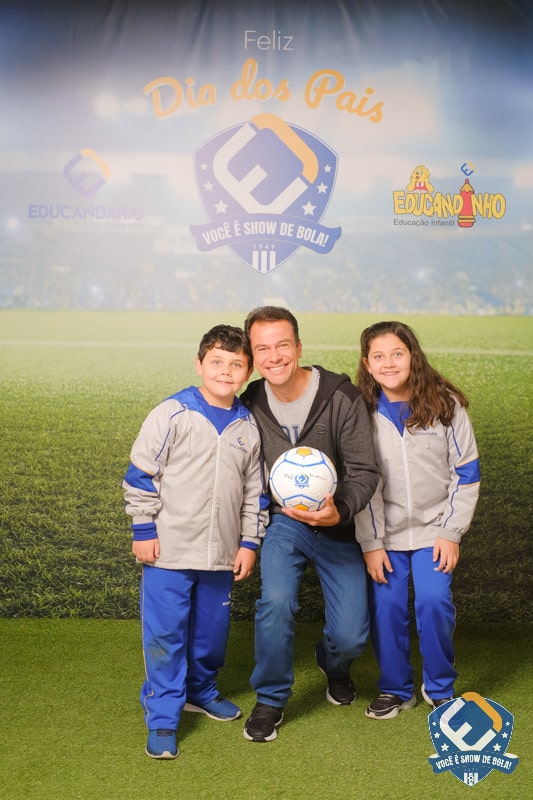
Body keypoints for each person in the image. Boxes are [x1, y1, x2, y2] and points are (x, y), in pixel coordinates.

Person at [123, 325, 269, 759]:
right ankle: (163, 717)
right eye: (217, 362)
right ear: (199, 364)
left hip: (221, 555)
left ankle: (201, 691)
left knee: (209, 635)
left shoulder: (247, 425)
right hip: (168, 551)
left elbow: (255, 492)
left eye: (236, 364)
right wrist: (144, 529)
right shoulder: (172, 413)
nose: (225, 371)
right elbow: (141, 473)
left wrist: (249, 542)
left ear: (247, 372)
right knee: (165, 636)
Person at [240, 306, 380, 743]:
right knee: (276, 602)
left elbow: (365, 470)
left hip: (338, 526)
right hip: (286, 524)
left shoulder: (341, 397)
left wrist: (341, 509)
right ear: (253, 356)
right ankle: (270, 699)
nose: (274, 356)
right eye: (262, 348)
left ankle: (333, 664)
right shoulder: (250, 402)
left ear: (299, 347)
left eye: (283, 345)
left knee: (351, 636)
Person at [355, 321, 480, 720]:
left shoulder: (445, 405)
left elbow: (466, 472)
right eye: (379, 356)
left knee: (433, 601)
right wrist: (372, 543)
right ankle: (395, 688)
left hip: (434, 532)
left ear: (413, 356)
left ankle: (439, 687)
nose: (389, 363)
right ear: (367, 364)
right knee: (387, 606)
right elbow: (362, 484)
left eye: (398, 353)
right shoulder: (360, 412)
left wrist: (451, 532)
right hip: (385, 537)